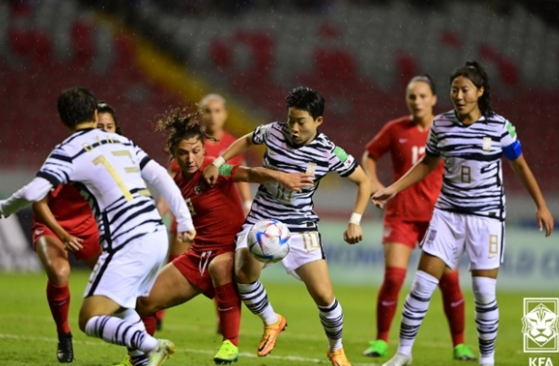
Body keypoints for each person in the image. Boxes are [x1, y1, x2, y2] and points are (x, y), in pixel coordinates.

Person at [373, 61, 554, 366]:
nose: (458, 95)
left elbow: (519, 165)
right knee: (421, 285)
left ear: (480, 92)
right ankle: (403, 353)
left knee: (483, 292)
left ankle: (487, 360)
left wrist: (541, 204)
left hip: (487, 217)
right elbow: (428, 163)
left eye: (465, 90)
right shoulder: (441, 125)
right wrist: (394, 188)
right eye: (454, 89)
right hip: (447, 215)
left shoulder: (499, 127)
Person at [0, 88, 196, 366]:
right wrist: (185, 220)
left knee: (90, 319)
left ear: (64, 120)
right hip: (155, 233)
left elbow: (33, 194)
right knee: (121, 307)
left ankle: (151, 344)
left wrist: (4, 207)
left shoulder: (67, 150)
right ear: (95, 114)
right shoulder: (121, 142)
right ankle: (142, 359)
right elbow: (161, 175)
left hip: (127, 241)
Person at [124, 107, 313, 366]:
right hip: (197, 253)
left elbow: (251, 173)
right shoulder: (175, 177)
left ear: (204, 149)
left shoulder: (214, 170)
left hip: (231, 248)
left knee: (220, 266)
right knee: (142, 301)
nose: (191, 158)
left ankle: (229, 343)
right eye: (183, 152)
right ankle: (141, 361)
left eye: (196, 151)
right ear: (174, 155)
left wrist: (282, 177)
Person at [203, 86, 372, 366]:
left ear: (318, 121)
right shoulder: (273, 131)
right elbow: (246, 140)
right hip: (263, 218)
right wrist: (220, 161)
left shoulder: (329, 152)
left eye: (301, 122)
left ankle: (336, 348)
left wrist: (355, 220)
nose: (293, 127)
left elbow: (363, 182)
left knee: (324, 295)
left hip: (301, 226)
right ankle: (272, 320)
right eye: (290, 119)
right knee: (243, 273)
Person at [361, 75, 475, 360]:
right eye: (412, 96)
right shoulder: (395, 129)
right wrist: (375, 184)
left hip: (440, 217)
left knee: (450, 281)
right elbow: (369, 155)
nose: (417, 101)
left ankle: (459, 344)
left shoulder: (448, 128)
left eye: (423, 96)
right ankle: (380, 341)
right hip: (401, 214)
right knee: (394, 279)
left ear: (434, 99)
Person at [31, 101, 121, 363]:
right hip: (52, 222)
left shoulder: (121, 155)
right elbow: (38, 200)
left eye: (110, 127)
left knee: (121, 277)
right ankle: (64, 334)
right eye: (99, 126)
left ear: (117, 129)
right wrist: (62, 234)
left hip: (89, 226)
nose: (104, 132)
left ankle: (137, 344)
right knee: (60, 272)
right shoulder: (69, 153)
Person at [158, 94, 251, 333]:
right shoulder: (189, 142)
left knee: (222, 271)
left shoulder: (231, 144)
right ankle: (158, 314)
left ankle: (224, 319)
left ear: (225, 114)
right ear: (202, 114)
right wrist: (161, 208)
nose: (212, 115)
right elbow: (171, 181)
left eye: (217, 110)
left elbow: (238, 175)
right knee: (176, 261)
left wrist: (248, 202)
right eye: (208, 111)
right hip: (188, 214)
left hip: (218, 217)